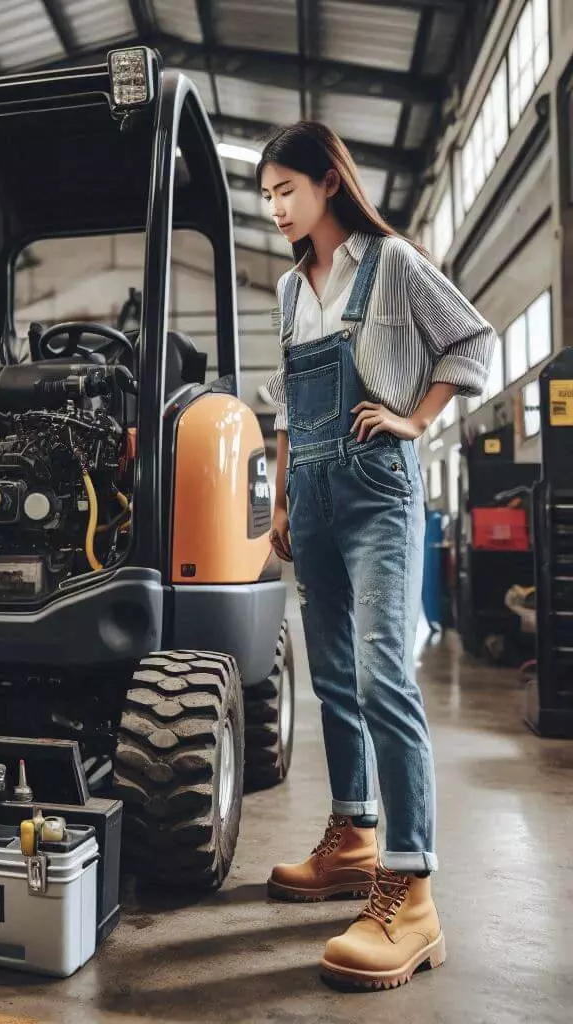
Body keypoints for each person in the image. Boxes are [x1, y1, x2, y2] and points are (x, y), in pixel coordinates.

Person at [258, 122, 496, 990]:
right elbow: (287, 399)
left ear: (327, 183)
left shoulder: (390, 264)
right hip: (313, 494)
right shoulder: (288, 289)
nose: (277, 209)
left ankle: (414, 883)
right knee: (329, 677)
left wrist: (416, 418)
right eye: (268, 196)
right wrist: (283, 496)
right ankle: (355, 835)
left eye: (287, 190)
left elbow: (473, 341)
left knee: (381, 676)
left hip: (377, 490)